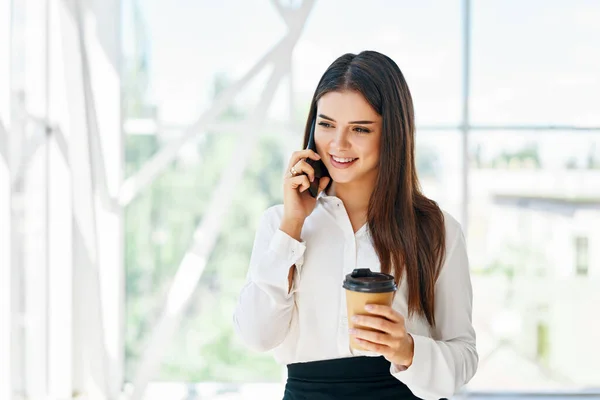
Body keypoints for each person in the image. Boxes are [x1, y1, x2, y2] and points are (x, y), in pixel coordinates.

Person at [233, 50, 478, 400]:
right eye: (327, 124)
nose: (338, 144)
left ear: (392, 134)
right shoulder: (280, 223)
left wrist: (408, 350)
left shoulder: (437, 231)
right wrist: (292, 225)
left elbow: (463, 356)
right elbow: (256, 336)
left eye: (360, 129)